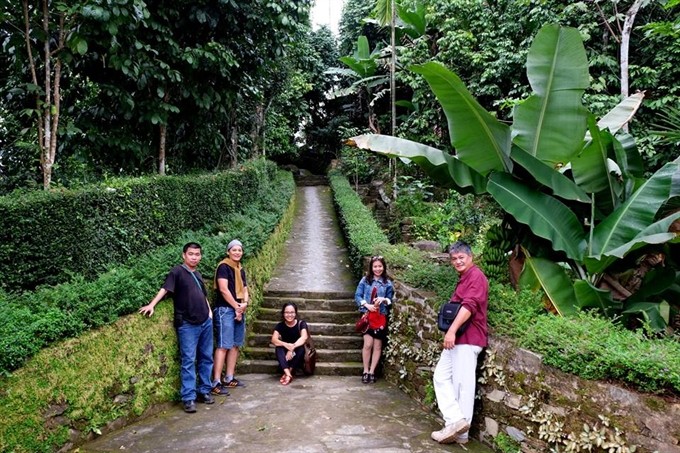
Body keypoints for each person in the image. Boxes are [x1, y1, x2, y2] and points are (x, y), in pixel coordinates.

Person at [139, 242, 215, 414]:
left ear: (200, 256)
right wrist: (152, 305)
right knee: (188, 360)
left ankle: (204, 390)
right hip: (187, 324)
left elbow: (203, 295)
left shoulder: (198, 274)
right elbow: (165, 289)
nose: (194, 257)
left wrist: (209, 313)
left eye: (197, 254)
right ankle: (188, 398)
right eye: (191, 254)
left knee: (206, 357)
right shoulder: (177, 272)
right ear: (184, 255)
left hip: (205, 322)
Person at [430, 241, 488, 445]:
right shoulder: (464, 278)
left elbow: (469, 306)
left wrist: (452, 331)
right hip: (457, 340)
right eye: (454, 259)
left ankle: (461, 434)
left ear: (471, 257)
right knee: (441, 377)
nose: (457, 261)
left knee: (463, 386)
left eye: (461, 257)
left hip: (468, 338)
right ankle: (455, 421)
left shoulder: (476, 277)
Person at [211, 239, 249, 395]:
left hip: (239, 309)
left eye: (239, 250)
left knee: (235, 344)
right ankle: (216, 382)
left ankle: (229, 377)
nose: (237, 252)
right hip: (225, 310)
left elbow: (245, 288)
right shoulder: (223, 267)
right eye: (234, 250)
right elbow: (224, 290)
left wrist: (245, 303)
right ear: (228, 252)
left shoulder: (240, 269)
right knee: (223, 345)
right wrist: (236, 307)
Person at [354, 255, 394, 384]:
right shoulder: (365, 280)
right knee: (368, 344)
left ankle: (372, 372)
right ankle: (365, 370)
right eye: (375, 266)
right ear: (371, 267)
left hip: (380, 316)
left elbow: (390, 299)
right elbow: (358, 296)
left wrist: (384, 300)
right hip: (368, 315)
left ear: (383, 267)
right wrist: (367, 305)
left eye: (380, 266)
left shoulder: (387, 282)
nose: (378, 269)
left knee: (377, 346)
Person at [270, 302, 309, 385]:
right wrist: (286, 345)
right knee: (278, 347)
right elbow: (273, 339)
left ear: (295, 313)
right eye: (287, 312)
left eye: (292, 312)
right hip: (286, 357)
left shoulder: (301, 324)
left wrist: (292, 347)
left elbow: (304, 337)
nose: (289, 315)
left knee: (301, 348)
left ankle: (287, 373)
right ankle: (288, 374)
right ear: (283, 314)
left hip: (297, 354)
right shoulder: (280, 325)